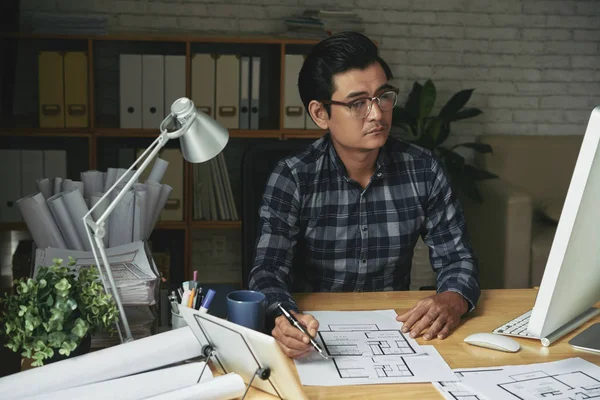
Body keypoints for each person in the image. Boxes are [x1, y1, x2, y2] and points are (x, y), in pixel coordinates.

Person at [248, 32, 480, 358]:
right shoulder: (294, 177)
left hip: (396, 331)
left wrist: (452, 298)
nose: (377, 114)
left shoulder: (423, 169)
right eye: (357, 103)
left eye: (383, 96)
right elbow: (267, 270)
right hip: (315, 332)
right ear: (320, 114)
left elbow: (458, 259)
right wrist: (285, 318)